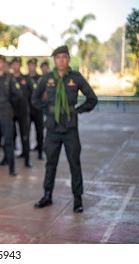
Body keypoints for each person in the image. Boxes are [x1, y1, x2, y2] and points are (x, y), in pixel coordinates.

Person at [32, 45, 98, 213]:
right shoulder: (47, 78)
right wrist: (48, 110)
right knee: (50, 163)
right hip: (52, 128)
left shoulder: (75, 78)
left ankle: (77, 199)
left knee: (74, 163)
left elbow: (92, 99)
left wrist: (78, 110)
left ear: (68, 59)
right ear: (54, 60)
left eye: (64, 57)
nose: (61, 60)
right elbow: (35, 98)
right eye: (58, 57)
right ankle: (47, 195)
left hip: (70, 128)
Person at [11, 57, 33, 168]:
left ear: (20, 65)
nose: (15, 66)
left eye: (17, 64)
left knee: (25, 135)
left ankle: (27, 158)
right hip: (10, 112)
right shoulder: (9, 78)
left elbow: (32, 94)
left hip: (23, 111)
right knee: (10, 135)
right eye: (13, 64)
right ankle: (8, 159)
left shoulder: (26, 78)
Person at [27, 58, 44, 160]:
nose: (31, 67)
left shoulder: (41, 78)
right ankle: (26, 153)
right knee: (26, 132)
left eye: (33, 65)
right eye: (30, 65)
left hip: (38, 110)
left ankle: (40, 152)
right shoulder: (24, 78)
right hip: (27, 110)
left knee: (40, 132)